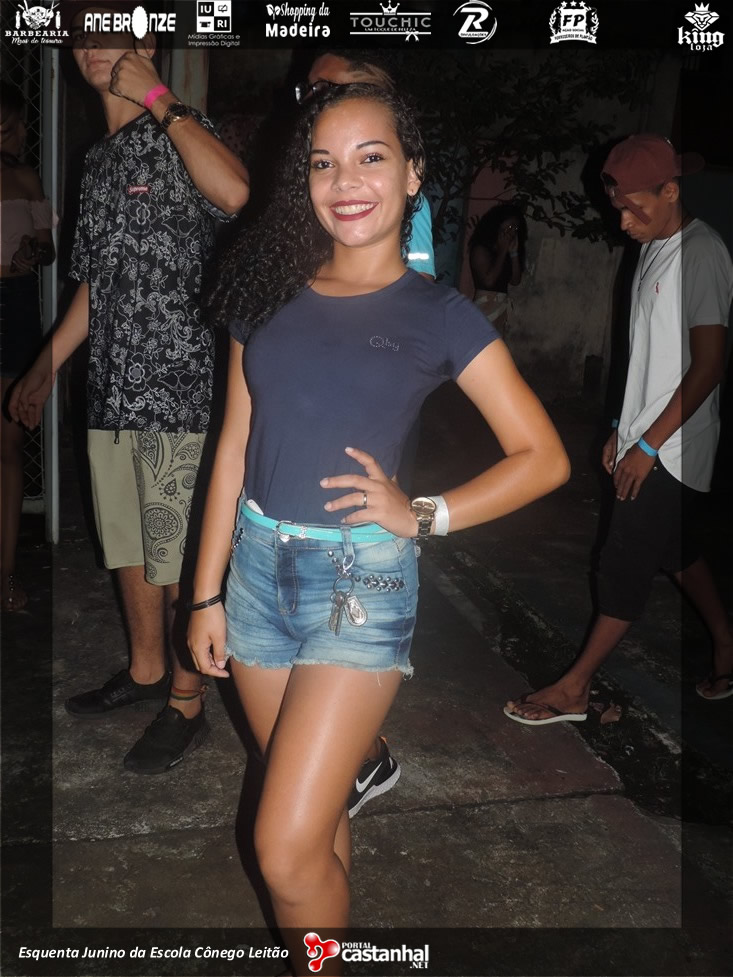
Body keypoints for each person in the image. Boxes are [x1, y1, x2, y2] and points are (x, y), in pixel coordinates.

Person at [188, 84, 568, 972]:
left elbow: (542, 457)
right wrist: (203, 592)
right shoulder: (265, 287)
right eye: (323, 162)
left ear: (412, 174)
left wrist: (425, 512)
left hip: (358, 584)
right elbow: (233, 445)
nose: (344, 181)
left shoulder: (436, 312)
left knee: (282, 849)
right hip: (254, 572)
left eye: (370, 157)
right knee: (311, 824)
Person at [9, 6, 249, 772]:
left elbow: (237, 195)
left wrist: (159, 98)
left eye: (109, 29)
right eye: (80, 33)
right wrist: (46, 366)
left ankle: (187, 702)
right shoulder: (100, 160)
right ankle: (147, 670)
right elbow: (95, 282)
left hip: (181, 389)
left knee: (176, 557)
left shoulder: (181, 129)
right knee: (129, 547)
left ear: (146, 41)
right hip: (111, 387)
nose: (89, 45)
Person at [505, 134, 733, 726]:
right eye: (618, 209)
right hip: (644, 435)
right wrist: (618, 426)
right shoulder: (652, 247)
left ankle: (574, 689)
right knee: (675, 551)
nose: (624, 222)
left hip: (672, 446)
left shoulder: (701, 255)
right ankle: (727, 644)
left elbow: (709, 365)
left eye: (634, 208)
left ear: (671, 191)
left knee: (623, 562)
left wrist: (648, 443)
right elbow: (648, 357)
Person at [296, 50, 435, 814]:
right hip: (272, 535)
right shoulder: (306, 200)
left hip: (371, 467)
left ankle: (362, 748)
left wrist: (423, 515)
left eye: (337, 86)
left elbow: (420, 322)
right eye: (312, 90)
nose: (319, 96)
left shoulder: (388, 205)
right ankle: (363, 755)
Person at [297, 49, 436, 282]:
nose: (311, 100)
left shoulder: (401, 197)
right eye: (322, 164)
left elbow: (420, 286)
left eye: (322, 88)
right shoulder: (300, 182)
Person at [0, 81, 56, 612]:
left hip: (14, 309)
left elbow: (47, 249)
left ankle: (7, 574)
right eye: (7, 127)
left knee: (8, 447)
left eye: (18, 125)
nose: (18, 135)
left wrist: (28, 255)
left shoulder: (25, 177)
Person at [469, 201, 527, 336]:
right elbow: (489, 281)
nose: (512, 231)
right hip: (484, 306)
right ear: (498, 224)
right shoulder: (481, 249)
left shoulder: (506, 251)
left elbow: (515, 280)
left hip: (501, 308)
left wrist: (513, 253)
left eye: (516, 228)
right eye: (510, 226)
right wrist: (502, 250)